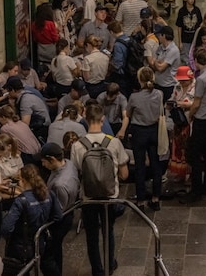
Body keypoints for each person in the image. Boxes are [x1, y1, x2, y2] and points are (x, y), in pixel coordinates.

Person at [70, 104, 129, 276]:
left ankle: (97, 269)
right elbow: (124, 174)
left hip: (88, 197)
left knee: (92, 235)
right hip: (110, 196)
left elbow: (76, 172)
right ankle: (110, 263)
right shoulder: (114, 142)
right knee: (108, 230)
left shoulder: (77, 145)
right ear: (102, 119)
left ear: (86, 119)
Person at [179, 49, 206, 204]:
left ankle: (196, 190)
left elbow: (196, 103)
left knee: (193, 155)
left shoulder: (202, 79)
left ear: (197, 61)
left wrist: (190, 115)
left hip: (202, 121)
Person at [1, 164, 62, 271]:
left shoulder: (21, 201)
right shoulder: (49, 194)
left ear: (23, 180)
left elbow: (6, 228)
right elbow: (58, 216)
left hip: (22, 247)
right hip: (41, 242)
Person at [119, 67, 163, 211]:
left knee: (140, 167)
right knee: (156, 165)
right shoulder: (159, 94)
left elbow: (129, 113)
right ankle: (156, 198)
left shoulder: (134, 97)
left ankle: (141, 200)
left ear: (139, 80)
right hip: (154, 131)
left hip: (139, 132)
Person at [38, 142, 80, 275]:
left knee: (50, 255)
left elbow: (58, 210)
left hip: (60, 220)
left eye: (44, 161)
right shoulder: (69, 163)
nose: (43, 165)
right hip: (68, 211)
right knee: (56, 251)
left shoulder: (59, 184)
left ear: (52, 159)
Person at [167, 66, 195, 183]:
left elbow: (195, 103)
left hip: (190, 121)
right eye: (181, 80)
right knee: (178, 148)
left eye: (185, 80)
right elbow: (172, 98)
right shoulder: (177, 86)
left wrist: (182, 104)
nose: (182, 83)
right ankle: (181, 173)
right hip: (178, 122)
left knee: (189, 148)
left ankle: (191, 174)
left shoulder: (196, 87)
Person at [4, 76, 51, 142]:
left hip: (42, 129)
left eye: (9, 91)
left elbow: (25, 125)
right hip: (40, 123)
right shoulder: (25, 93)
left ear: (12, 90)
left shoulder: (25, 100)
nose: (8, 93)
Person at [152, 26, 180, 102]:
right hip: (158, 83)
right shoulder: (160, 47)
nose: (158, 37)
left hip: (168, 86)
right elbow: (152, 62)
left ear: (164, 35)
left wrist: (156, 62)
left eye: (159, 35)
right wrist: (157, 63)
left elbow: (161, 68)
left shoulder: (173, 50)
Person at [175, 0, 202, 65]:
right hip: (185, 39)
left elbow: (200, 24)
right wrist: (180, 42)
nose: (192, 0)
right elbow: (179, 26)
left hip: (195, 39)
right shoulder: (181, 11)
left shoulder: (197, 10)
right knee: (185, 59)